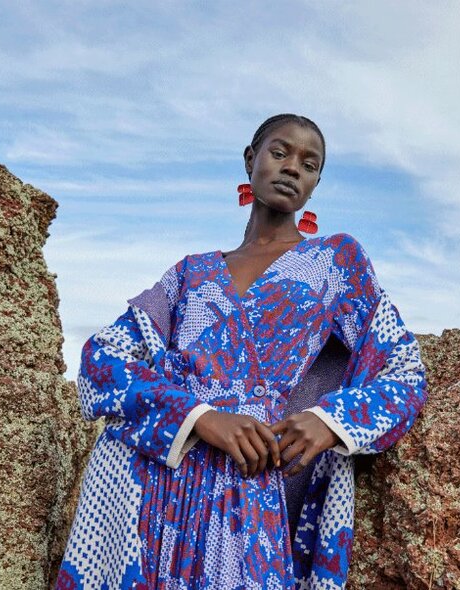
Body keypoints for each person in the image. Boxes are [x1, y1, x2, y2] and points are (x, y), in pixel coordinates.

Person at [55, 114, 427, 589]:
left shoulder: (336, 261)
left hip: (249, 484)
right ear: (251, 160)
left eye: (309, 164)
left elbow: (403, 370)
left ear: (315, 185)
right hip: (151, 480)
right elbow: (101, 360)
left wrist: (331, 422)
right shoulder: (190, 273)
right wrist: (200, 418)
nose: (293, 168)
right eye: (280, 152)